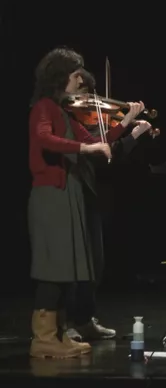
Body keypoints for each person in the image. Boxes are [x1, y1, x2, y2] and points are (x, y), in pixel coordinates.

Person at [27, 49, 145, 358]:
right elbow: (44, 139)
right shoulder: (44, 107)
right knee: (53, 268)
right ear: (58, 76)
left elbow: (98, 141)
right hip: (52, 195)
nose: (81, 80)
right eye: (75, 74)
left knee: (67, 269)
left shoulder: (64, 112)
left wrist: (127, 120)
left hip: (70, 194)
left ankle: (59, 333)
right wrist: (84, 148)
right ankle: (43, 338)